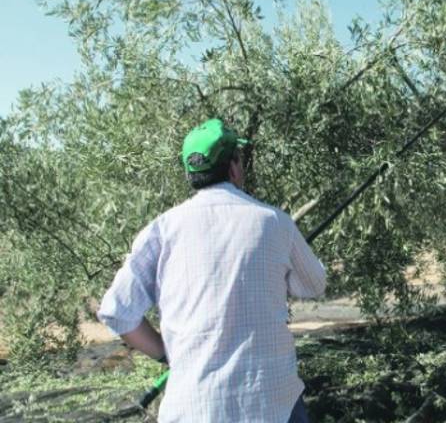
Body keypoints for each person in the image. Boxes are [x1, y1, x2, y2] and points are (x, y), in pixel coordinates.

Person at [98, 118, 326, 422]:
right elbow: (314, 285)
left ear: (190, 171)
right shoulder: (274, 222)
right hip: (274, 405)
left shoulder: (162, 230)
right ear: (234, 166)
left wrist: (168, 356)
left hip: (192, 407)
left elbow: (117, 312)